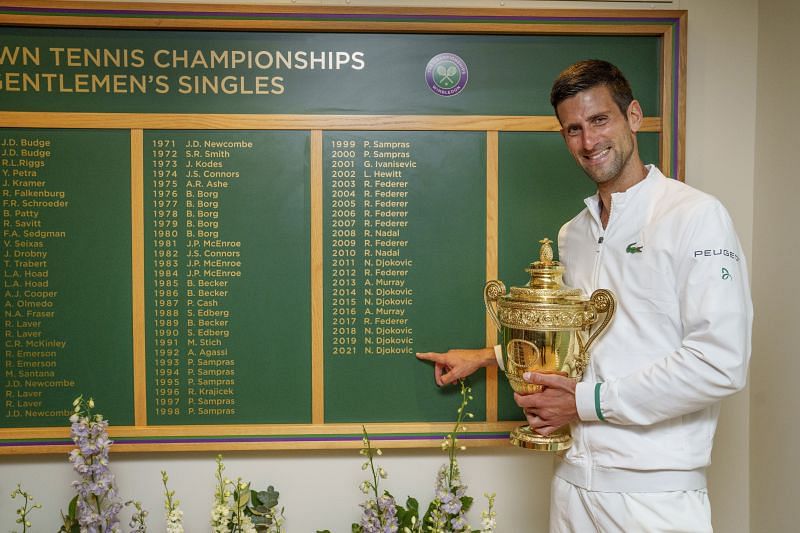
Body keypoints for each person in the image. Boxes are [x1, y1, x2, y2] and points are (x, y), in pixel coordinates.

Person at [416, 59, 752, 532]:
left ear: (633, 116)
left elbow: (720, 362)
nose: (589, 141)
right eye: (573, 129)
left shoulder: (695, 216)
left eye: (600, 120)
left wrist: (584, 403)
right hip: (572, 484)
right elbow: (587, 342)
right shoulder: (572, 234)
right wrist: (488, 356)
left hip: (654, 496)